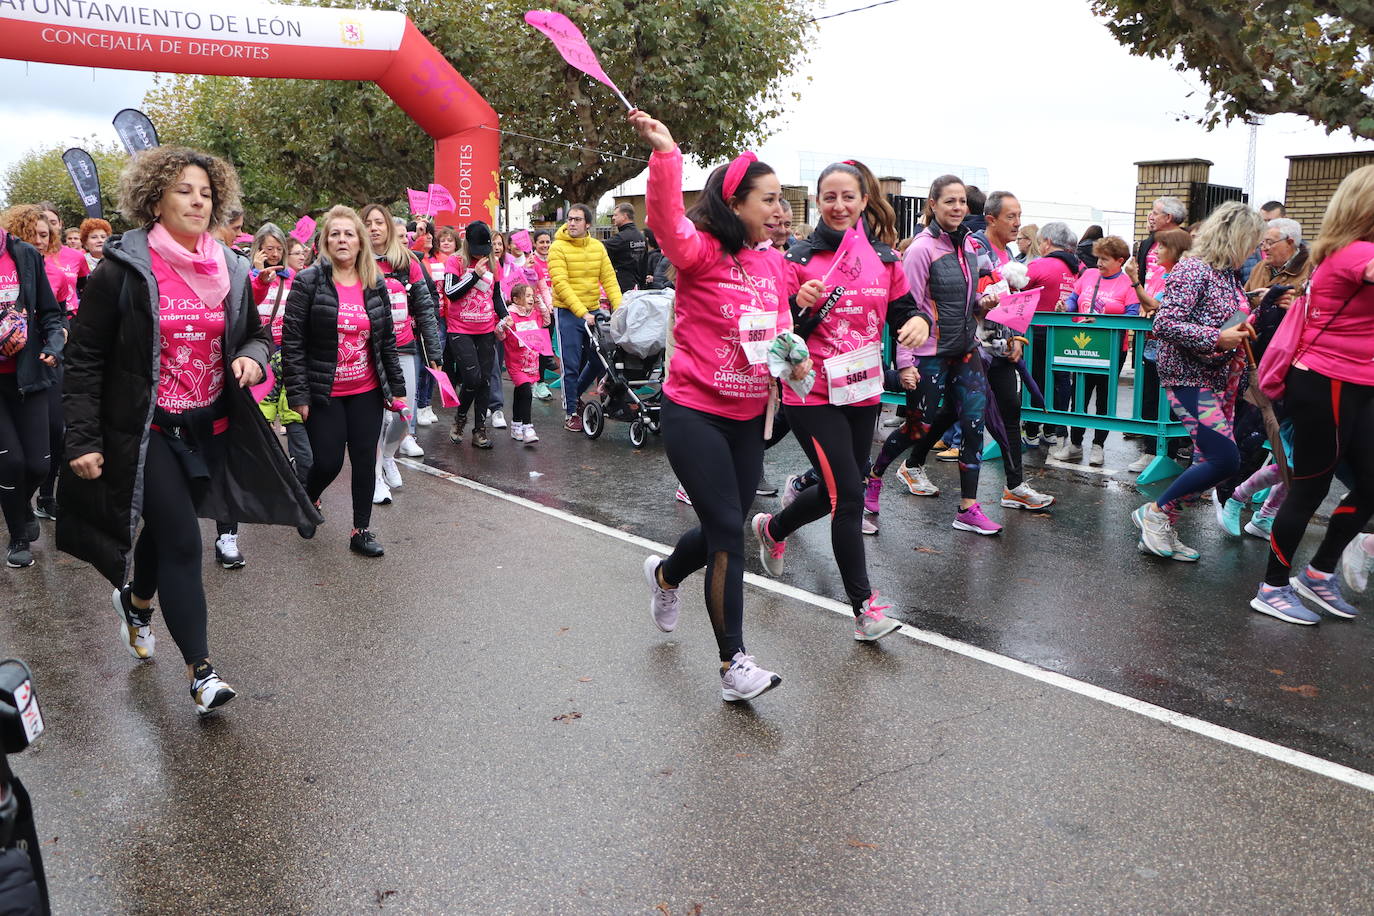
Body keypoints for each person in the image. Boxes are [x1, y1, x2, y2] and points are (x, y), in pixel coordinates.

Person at [59, 146, 313, 714]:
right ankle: (203, 673)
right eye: (184, 191)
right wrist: (82, 439)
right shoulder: (122, 270)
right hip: (148, 430)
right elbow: (84, 358)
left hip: (210, 428)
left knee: (165, 532)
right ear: (155, 199)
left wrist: (252, 358)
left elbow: (255, 335)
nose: (198, 201)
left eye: (206, 192)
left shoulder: (233, 267)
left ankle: (140, 603)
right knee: (180, 538)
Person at [630, 107, 802, 701]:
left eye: (782, 200)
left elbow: (780, 333)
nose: (779, 210)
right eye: (770, 199)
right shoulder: (699, 251)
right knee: (729, 528)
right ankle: (734, 665)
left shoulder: (773, 263)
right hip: (694, 412)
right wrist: (665, 154)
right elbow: (665, 219)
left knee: (718, 529)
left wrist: (795, 361)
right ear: (736, 204)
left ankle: (666, 572)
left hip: (748, 418)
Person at [750, 159, 926, 638]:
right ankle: (864, 608)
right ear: (818, 203)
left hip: (863, 389)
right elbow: (777, 331)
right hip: (812, 394)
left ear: (864, 200)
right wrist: (798, 307)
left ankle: (773, 528)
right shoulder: (798, 260)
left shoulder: (885, 259)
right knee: (848, 494)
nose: (839, 205)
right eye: (829, 197)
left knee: (836, 494)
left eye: (848, 196)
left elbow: (905, 311)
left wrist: (918, 324)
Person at [1249, 169, 1374, 624]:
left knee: (1370, 483)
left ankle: (1319, 574)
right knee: (1310, 487)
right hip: (1327, 382)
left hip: (1356, 383)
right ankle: (1272, 586)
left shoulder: (1340, 253)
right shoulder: (1356, 253)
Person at [865, 175, 1003, 535]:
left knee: (974, 426)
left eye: (962, 202)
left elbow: (964, 302)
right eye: (950, 202)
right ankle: (874, 476)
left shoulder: (970, 247)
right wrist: (906, 362)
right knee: (918, 428)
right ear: (933, 205)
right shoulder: (921, 249)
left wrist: (982, 304)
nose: (958, 208)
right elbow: (905, 308)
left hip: (965, 347)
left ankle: (968, 509)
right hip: (928, 353)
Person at [1132, 202, 1263, 563]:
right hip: (1188, 375)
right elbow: (1164, 324)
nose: (1256, 250)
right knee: (1224, 459)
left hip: (1218, 376)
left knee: (1209, 459)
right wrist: (1215, 338)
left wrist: (1240, 327)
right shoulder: (1194, 268)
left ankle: (1162, 525)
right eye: (1253, 241)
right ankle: (1155, 513)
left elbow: (1222, 316)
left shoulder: (1227, 274)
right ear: (1235, 237)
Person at [282, 205, 406, 557]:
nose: (342, 239)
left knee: (365, 458)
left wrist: (396, 391)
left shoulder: (374, 283)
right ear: (324, 241)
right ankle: (308, 498)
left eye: (348, 233)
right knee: (328, 461)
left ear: (360, 241)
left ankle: (361, 530)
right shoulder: (308, 281)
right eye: (334, 233)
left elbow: (386, 342)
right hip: (325, 393)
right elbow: (292, 343)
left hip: (366, 390)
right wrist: (299, 395)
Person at [360, 203, 442, 501]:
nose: (374, 227)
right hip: (367, 350)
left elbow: (425, 308)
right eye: (368, 222)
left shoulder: (408, 262)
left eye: (379, 222)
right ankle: (376, 475)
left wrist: (434, 352)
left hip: (405, 346)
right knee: (377, 417)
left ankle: (390, 455)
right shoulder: (356, 263)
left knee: (403, 415)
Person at [1, 206, 72, 540]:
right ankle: (18, 534)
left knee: (39, 466)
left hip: (30, 374)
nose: (44, 240)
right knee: (12, 463)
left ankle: (20, 503)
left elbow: (52, 314)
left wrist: (54, 345)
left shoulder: (24, 255)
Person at [1052, 235, 1139, 466]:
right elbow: (1074, 299)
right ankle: (1075, 445)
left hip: (1110, 348)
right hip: (1082, 344)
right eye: (1098, 258)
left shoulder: (1127, 283)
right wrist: (1065, 307)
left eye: (1105, 259)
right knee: (1079, 394)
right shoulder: (1088, 275)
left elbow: (1132, 316)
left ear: (1120, 260)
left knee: (1104, 397)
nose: (1099, 263)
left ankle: (1098, 447)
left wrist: (1104, 321)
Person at [1124, 227, 1193, 473]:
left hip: (1173, 352)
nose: (1156, 253)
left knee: (1172, 405)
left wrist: (1134, 281)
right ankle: (1151, 450)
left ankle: (1168, 453)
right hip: (1153, 349)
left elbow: (1158, 305)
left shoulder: (1182, 276)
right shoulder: (1159, 274)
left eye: (1162, 247)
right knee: (1150, 400)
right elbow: (1148, 304)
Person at [548, 204, 622, 431]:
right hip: (568, 312)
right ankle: (571, 412)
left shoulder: (598, 247)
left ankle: (578, 395)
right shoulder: (557, 248)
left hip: (593, 310)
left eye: (577, 220)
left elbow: (609, 280)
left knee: (601, 359)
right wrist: (582, 313)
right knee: (570, 365)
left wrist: (620, 311)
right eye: (569, 219)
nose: (571, 223)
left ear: (588, 224)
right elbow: (560, 284)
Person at [442, 220, 508, 449]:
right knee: (472, 378)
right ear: (467, 244)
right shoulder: (456, 261)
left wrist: (506, 317)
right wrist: (474, 276)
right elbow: (450, 293)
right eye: (477, 251)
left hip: (486, 328)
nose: (481, 256)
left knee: (485, 380)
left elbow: (497, 297)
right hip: (460, 329)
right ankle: (461, 417)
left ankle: (479, 429)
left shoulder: (493, 263)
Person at [255, 235, 313, 489]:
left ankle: (300, 474)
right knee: (263, 417)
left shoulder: (300, 281)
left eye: (280, 248)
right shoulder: (251, 278)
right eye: (296, 252)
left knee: (292, 415)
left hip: (290, 355)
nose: (301, 256)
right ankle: (267, 471)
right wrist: (258, 276)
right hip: (262, 356)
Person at [1020, 222, 1081, 446]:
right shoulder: (1078, 268)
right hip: (1067, 333)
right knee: (1062, 380)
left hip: (1038, 333)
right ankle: (1053, 429)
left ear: (1047, 242)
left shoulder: (1040, 265)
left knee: (1035, 379)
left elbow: (1016, 287)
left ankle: (1032, 430)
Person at [499, 282, 546, 443]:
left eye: (531, 295)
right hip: (516, 362)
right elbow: (500, 335)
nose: (531, 299)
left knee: (521, 392)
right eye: (527, 296)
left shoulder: (533, 314)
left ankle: (516, 424)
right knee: (526, 391)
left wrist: (541, 304)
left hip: (532, 362)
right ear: (516, 299)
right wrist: (503, 326)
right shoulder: (509, 315)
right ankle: (528, 427)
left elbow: (545, 322)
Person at [1135, 197, 1186, 289]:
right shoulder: (1146, 243)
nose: (1151, 218)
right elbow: (1141, 275)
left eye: (1155, 214)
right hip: (1146, 300)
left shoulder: (1187, 243)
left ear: (1168, 217)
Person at [604, 202, 648, 296]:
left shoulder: (620, 238)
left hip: (622, 288)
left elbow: (598, 249)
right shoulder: (641, 237)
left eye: (616, 215)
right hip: (638, 287)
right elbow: (644, 264)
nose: (613, 218)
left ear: (624, 216)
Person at [1240, 201, 1288, 282]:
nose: (1266, 225)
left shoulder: (1299, 249)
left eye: (1270, 221)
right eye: (1263, 221)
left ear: (1285, 219)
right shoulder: (1247, 247)